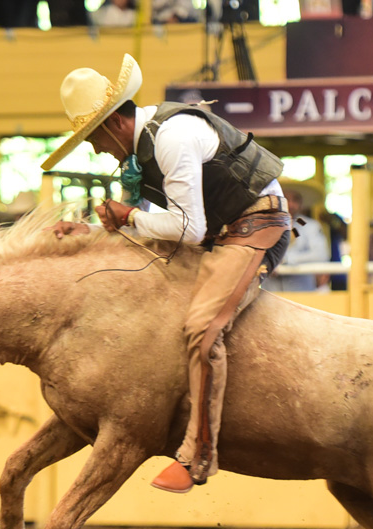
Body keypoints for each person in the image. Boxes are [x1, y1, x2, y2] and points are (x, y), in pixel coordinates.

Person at [43, 53, 289, 494]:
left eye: (92, 138)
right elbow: (146, 225)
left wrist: (129, 216)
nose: (95, 149)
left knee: (201, 327)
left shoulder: (172, 138)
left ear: (114, 125)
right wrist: (93, 230)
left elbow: (187, 229)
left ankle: (199, 454)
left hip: (256, 225)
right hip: (222, 230)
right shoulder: (145, 147)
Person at [263, 180, 327, 293]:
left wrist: (286, 260)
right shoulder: (265, 225)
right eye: (286, 199)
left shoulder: (310, 226)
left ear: (301, 204)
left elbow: (320, 254)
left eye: (295, 200)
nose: (291, 204)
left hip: (302, 293)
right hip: (270, 292)